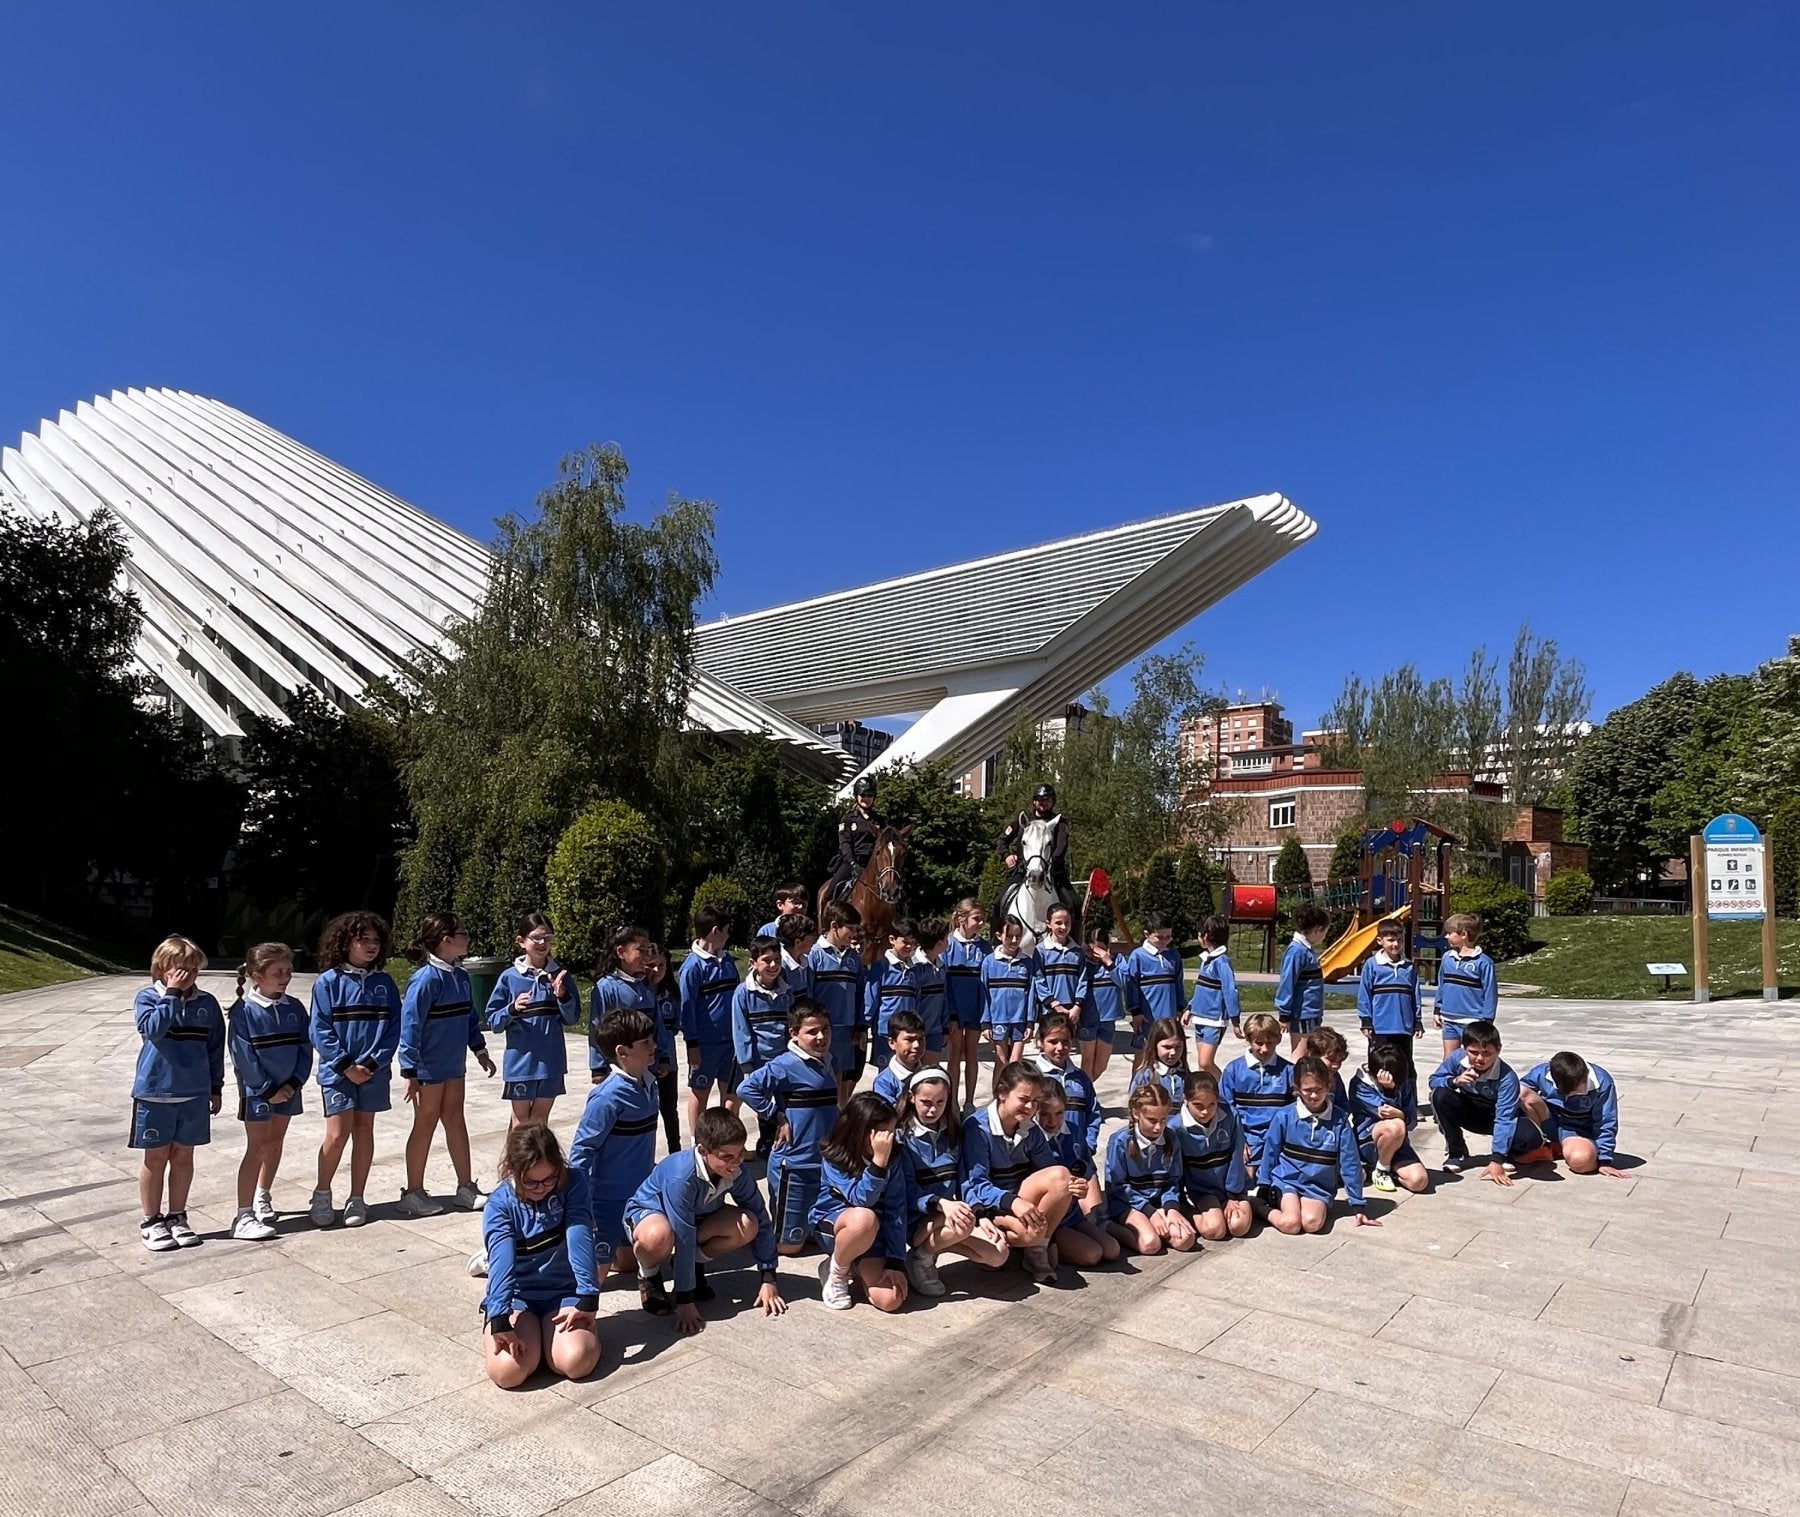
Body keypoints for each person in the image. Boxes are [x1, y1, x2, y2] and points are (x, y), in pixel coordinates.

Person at [625, 1108, 785, 1333]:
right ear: (702, 1150)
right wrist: (685, 1300)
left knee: (748, 1224)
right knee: (658, 1236)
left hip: (696, 1218)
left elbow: (759, 1213)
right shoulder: (681, 1176)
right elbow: (683, 1235)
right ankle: (648, 1276)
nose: (736, 1163)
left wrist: (769, 1277)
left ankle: (693, 1266)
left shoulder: (736, 1170)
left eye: (740, 1154)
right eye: (727, 1156)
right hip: (653, 1216)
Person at [480, 1124, 599, 1388]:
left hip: (563, 1292)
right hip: (519, 1296)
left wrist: (588, 1296)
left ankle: (549, 1343)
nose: (541, 1188)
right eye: (530, 1181)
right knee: (507, 1373)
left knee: (577, 1362)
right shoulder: (499, 1204)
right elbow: (502, 1261)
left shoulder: (573, 1181)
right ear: (512, 1170)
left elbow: (580, 1234)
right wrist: (499, 1318)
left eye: (549, 1179)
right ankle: (537, 1341)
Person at [397, 913, 495, 1217]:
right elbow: (410, 1025)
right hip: (427, 1067)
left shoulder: (460, 975)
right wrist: (409, 1069)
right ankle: (413, 1192)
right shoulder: (425, 979)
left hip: (454, 1064)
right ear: (446, 940)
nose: (468, 938)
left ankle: (465, 1187)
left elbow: (469, 1017)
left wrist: (479, 1049)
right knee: (425, 1123)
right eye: (463, 933)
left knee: (455, 1119)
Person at [132, 935, 225, 1251]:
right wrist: (172, 994)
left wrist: (215, 1087)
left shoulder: (206, 1004)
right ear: (162, 969)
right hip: (156, 1092)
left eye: (194, 970)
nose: (188, 976)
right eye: (181, 969)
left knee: (184, 1156)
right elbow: (153, 1029)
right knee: (156, 1157)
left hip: (194, 1092)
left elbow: (214, 1048)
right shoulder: (148, 998)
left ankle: (177, 1215)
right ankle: (151, 1220)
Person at [310, 911, 401, 1228]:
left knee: (364, 1131)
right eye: (363, 940)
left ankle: (357, 1197)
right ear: (345, 942)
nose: (371, 946)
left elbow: (393, 1029)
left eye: (376, 940)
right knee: (337, 1134)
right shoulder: (328, 982)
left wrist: (373, 1063)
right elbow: (320, 1029)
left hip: (373, 1073)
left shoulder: (384, 984)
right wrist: (346, 1066)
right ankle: (322, 1193)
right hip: (338, 1074)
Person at [736, 1000, 840, 1256]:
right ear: (794, 1033)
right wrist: (777, 1116)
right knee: (788, 1247)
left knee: (823, 1234)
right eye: (812, 1031)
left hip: (823, 1164)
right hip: (794, 1166)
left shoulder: (827, 1061)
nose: (821, 1037)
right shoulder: (785, 1064)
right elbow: (746, 1089)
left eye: (825, 1029)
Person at [569, 1006, 662, 1287]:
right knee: (590, 1284)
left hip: (638, 1195)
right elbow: (581, 1152)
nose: (654, 1046)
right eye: (645, 1042)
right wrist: (581, 1204)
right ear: (622, 1052)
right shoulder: (606, 1097)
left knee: (633, 1263)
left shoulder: (650, 1083)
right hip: (606, 1201)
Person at [895, 1067, 1010, 1292]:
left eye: (940, 1102)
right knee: (962, 1223)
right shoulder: (902, 1137)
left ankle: (933, 1248)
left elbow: (965, 1180)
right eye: (926, 1102)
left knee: (998, 1253)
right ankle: (922, 1259)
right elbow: (907, 1189)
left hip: (948, 1215)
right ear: (911, 1098)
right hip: (915, 1219)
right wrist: (941, 1204)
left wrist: (981, 1215)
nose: (933, 1109)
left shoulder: (953, 1134)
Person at [960, 1062, 1074, 1284]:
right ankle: (1026, 1241)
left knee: (1063, 1178)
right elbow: (976, 1183)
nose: (1030, 1107)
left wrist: (1073, 1185)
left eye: (1036, 1101)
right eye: (1024, 1099)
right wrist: (1013, 1202)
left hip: (1021, 1199)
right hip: (992, 1205)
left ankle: (1037, 1248)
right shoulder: (978, 1128)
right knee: (1028, 1235)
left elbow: (1047, 1171)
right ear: (1002, 1093)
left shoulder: (1030, 1128)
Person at [227, 942, 309, 1240]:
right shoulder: (243, 1012)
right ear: (257, 976)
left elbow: (305, 1048)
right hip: (258, 1093)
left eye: (288, 970)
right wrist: (267, 1089)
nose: (285, 977)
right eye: (278, 972)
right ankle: (243, 1214)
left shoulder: (294, 1007)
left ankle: (263, 1195)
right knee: (257, 1146)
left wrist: (293, 1083)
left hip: (288, 1090)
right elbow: (242, 1056)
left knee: (275, 1143)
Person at [811, 1092, 912, 1313]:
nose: (889, 1139)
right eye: (884, 1132)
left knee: (890, 1300)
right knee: (864, 1218)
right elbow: (862, 1199)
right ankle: (836, 1272)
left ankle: (854, 1265)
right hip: (838, 1227)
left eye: (892, 1131)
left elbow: (896, 1207)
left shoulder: (894, 1156)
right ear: (863, 1131)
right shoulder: (835, 1156)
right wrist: (878, 1163)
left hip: (874, 1236)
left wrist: (896, 1260)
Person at [1257, 1054, 1379, 1235]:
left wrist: (1357, 1203)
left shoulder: (1339, 1120)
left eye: (1319, 1089)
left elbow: (1349, 1162)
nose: (1314, 1095)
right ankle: (1258, 1207)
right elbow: (1270, 1151)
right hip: (1286, 1180)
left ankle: (1301, 1206)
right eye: (1307, 1090)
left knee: (1312, 1223)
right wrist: (1264, 1184)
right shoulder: (1284, 1116)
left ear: (1329, 1086)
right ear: (1297, 1088)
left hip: (1318, 1187)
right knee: (1291, 1223)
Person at [484, 911, 581, 1129]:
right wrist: (511, 1009)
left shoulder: (560, 975)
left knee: (539, 1121)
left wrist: (562, 996)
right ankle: (514, 1154)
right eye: (536, 938)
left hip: (551, 1063)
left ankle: (535, 1154)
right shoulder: (509, 977)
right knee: (520, 1123)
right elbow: (493, 1021)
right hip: (520, 1064)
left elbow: (572, 1018)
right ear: (521, 941)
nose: (542, 943)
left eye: (547, 938)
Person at [1427, 1019, 1550, 1185]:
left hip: (1496, 1115)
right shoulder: (1457, 1058)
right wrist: (1454, 1081)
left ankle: (1507, 1153)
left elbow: (1505, 1118)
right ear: (1464, 1048)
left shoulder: (1507, 1077)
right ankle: (1456, 1150)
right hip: (1471, 1111)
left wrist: (1497, 1158)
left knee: (1530, 1137)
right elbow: (1434, 1080)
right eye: (1473, 1052)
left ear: (1498, 1050)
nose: (1480, 1058)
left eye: (1487, 1053)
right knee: (1439, 1095)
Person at [1033, 1079, 1117, 1267]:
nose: (1053, 1121)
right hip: (1050, 1216)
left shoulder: (1073, 1130)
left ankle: (1069, 1241)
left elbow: (1083, 1165)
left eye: (1059, 1113)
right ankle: (1047, 1243)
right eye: (1045, 1114)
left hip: (1072, 1212)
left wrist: (1082, 1184)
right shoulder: (1033, 1137)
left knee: (1112, 1250)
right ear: (1035, 1111)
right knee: (1092, 1255)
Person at [1104, 1084, 1196, 1256]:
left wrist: (1171, 1208)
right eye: (1152, 1120)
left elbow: (1173, 1180)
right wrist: (1149, 1212)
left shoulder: (1171, 1139)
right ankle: (1109, 1227)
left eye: (1163, 1120)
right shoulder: (1120, 1141)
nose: (1158, 1127)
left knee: (1185, 1240)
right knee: (1150, 1244)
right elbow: (1118, 1186)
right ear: (1136, 1113)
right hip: (1129, 1204)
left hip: (1158, 1203)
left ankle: (1158, 1228)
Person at [679, 904, 742, 1135]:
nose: (729, 935)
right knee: (700, 1093)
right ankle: (698, 1141)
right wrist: (692, 1044)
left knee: (731, 1094)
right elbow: (686, 1009)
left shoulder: (728, 961)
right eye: (727, 930)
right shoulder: (692, 968)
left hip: (731, 1044)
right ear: (716, 931)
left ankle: (726, 1141)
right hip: (705, 1046)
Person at [1172, 1069, 1252, 1241]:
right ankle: (1190, 1213)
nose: (1205, 1112)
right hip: (1202, 1190)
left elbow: (1236, 1154)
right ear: (1185, 1099)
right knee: (1214, 1230)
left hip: (1230, 1187)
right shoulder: (1176, 1128)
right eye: (1198, 1106)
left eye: (1211, 1105)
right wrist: (1179, 1200)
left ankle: (1246, 1203)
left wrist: (1232, 1194)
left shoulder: (1230, 1116)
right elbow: (1176, 1170)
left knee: (1239, 1226)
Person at [1519, 1052, 1626, 1178]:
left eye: (1576, 1092)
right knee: (1522, 1092)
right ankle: (1542, 1144)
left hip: (1578, 1130)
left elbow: (1606, 1121)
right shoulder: (1542, 1072)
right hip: (1549, 1119)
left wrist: (1604, 1160)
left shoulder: (1602, 1081)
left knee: (1581, 1161)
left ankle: (1564, 1148)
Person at [1346, 1043, 1429, 1194]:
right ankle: (1381, 1169)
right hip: (1368, 1140)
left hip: (1397, 1144)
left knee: (1419, 1181)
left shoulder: (1402, 1083)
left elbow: (1411, 1121)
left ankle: (1381, 1169)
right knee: (1395, 1126)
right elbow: (1385, 1112)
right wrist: (1389, 1092)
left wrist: (1402, 1114)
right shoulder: (1360, 1085)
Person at [1217, 1012, 1293, 1176]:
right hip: (1246, 1136)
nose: (1264, 1049)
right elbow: (1225, 1108)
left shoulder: (1288, 1071)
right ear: (1248, 1040)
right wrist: (1238, 1140)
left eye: (1270, 1043)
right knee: (1243, 1178)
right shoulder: (1234, 1070)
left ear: (1279, 1040)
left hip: (1278, 1137)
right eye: (1259, 1043)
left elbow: (1295, 1110)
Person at [807, 900, 866, 1104]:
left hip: (845, 1031)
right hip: (821, 1030)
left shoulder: (853, 958)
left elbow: (860, 994)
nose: (854, 933)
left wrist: (860, 1026)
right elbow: (808, 994)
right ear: (834, 926)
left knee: (839, 1083)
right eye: (850, 928)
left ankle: (837, 1120)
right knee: (819, 1080)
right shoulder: (814, 955)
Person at [730, 935, 796, 1108]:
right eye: (767, 960)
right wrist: (746, 1066)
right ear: (753, 963)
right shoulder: (743, 993)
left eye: (777, 960)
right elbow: (741, 1031)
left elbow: (791, 1026)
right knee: (762, 1108)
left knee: (787, 1105)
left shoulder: (787, 991)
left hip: (782, 1059)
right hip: (757, 1062)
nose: (773, 965)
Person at [588, 925, 658, 1081]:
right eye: (641, 950)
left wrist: (664, 1056)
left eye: (648, 951)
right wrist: (598, 1067)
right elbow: (597, 1028)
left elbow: (657, 1024)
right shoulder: (606, 987)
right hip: (620, 1067)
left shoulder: (646, 986)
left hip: (649, 1065)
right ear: (621, 952)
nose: (646, 957)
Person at [1356, 918, 1422, 1082]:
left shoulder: (1409, 967)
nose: (1396, 944)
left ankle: (1407, 1096)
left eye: (1399, 940)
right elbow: (1364, 994)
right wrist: (1366, 1020)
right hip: (1380, 1027)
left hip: (1404, 1027)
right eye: (1391, 940)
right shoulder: (1372, 965)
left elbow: (1415, 995)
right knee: (1379, 1066)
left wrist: (1417, 1021)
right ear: (1380, 941)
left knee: (1405, 1067)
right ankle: (1379, 1096)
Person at [942, 899, 991, 1110]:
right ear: (962, 919)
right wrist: (951, 1014)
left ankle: (969, 1101)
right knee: (955, 1054)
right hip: (955, 1009)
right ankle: (952, 1101)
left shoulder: (985, 947)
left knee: (972, 1053)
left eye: (982, 919)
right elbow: (944, 983)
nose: (981, 923)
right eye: (976, 919)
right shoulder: (947, 945)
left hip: (975, 1008)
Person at [979, 914, 1035, 1087]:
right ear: (999, 936)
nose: (1014, 940)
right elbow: (984, 994)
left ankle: (1013, 1097)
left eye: (1018, 936)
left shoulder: (1027, 963)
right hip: (998, 1019)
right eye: (1010, 936)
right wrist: (986, 1023)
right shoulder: (989, 962)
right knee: (1001, 1062)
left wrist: (1030, 1022)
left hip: (1019, 1020)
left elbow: (1031, 994)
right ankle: (998, 1097)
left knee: (1016, 1062)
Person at [995, 782, 1071, 906]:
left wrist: (1048, 865)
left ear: (1053, 802)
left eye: (1047, 800)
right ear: (1034, 801)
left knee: (1074, 902)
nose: (1043, 803)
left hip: (1053, 873)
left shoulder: (1059, 823)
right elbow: (1002, 840)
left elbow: (1060, 848)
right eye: (1040, 799)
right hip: (1022, 872)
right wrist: (1007, 855)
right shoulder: (1023, 821)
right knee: (999, 902)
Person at [1435, 912, 1498, 1057]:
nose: (1446, 937)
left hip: (1473, 1020)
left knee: (1471, 1058)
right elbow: (1442, 985)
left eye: (1449, 933)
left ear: (1463, 934)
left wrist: (1487, 1021)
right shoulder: (1447, 958)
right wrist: (1437, 1010)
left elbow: (1490, 992)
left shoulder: (1483, 962)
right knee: (1449, 1059)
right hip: (1449, 1019)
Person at [1123, 913, 1185, 1051]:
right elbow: (1131, 985)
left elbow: (1178, 983)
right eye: (1159, 937)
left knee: (1167, 1049)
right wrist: (1135, 1011)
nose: (1164, 940)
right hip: (1146, 1016)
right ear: (1147, 934)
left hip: (1169, 1015)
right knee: (1144, 1052)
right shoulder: (1137, 956)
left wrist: (1180, 1007)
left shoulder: (1173, 955)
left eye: (1168, 936)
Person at [866, 918, 921, 1070]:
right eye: (905, 942)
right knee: (885, 1070)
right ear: (892, 939)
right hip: (885, 1031)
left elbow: (917, 999)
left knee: (907, 1070)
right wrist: (864, 1025)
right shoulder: (880, 967)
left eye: (912, 942)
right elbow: (871, 998)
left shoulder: (915, 970)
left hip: (908, 1031)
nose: (909, 946)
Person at [1189, 914, 1241, 1071]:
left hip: (1214, 1020)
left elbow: (1230, 992)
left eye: (1199, 934)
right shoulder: (1206, 960)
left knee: (1206, 1062)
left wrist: (1235, 1020)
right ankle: (1206, 1088)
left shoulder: (1222, 962)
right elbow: (1201, 988)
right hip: (1200, 1016)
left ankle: (1224, 1085)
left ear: (1206, 936)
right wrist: (1190, 1008)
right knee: (1202, 1065)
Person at [1080, 924, 1130, 1083]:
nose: (1095, 954)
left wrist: (1108, 962)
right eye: (1092, 950)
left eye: (1100, 950)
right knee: (1087, 1061)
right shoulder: (1083, 963)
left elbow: (1125, 983)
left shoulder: (1117, 960)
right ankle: (1086, 1094)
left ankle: (1083, 1090)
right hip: (1088, 1018)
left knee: (1101, 1065)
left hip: (1108, 1018)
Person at [1275, 905, 1329, 1052]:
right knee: (1300, 1054)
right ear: (1317, 929)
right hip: (1302, 1014)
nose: (1324, 936)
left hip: (1312, 1012)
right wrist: (1284, 1014)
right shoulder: (1296, 951)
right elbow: (1287, 983)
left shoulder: (1307, 950)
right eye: (1325, 932)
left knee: (1311, 1054)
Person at [646, 946, 682, 1152]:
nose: (657, 970)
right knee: (646, 1109)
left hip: (669, 1060)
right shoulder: (640, 992)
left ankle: (674, 1150)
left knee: (669, 1107)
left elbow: (675, 1025)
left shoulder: (672, 993)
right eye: (652, 965)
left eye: (661, 965)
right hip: (644, 1060)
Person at [827, 775, 884, 901]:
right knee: (829, 893)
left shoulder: (879, 820)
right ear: (856, 796)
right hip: (852, 862)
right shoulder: (848, 818)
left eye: (870, 795)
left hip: (874, 862)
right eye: (863, 795)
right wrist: (852, 863)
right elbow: (845, 843)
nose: (866, 799)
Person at [1032, 903, 1086, 1022]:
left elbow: (1083, 980)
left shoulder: (1077, 952)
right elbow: (1038, 980)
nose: (1063, 927)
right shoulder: (1040, 951)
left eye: (1067, 923)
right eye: (1058, 923)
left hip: (1072, 1012)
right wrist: (1054, 1004)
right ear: (1048, 924)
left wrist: (1077, 1005)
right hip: (1050, 1011)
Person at [913, 918, 949, 1060]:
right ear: (939, 943)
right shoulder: (915, 967)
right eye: (946, 939)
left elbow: (944, 999)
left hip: (935, 1031)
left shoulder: (941, 966)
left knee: (930, 1069)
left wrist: (945, 1028)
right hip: (916, 1030)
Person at [872, 1009, 926, 1105]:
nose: (917, 1045)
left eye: (921, 1039)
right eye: (909, 1039)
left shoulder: (929, 1075)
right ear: (892, 1043)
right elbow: (886, 1112)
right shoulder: (884, 1082)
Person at [1128, 1017, 1188, 1102]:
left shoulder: (1186, 1076)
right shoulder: (1145, 1076)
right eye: (1167, 1047)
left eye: (1178, 1047)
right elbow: (1135, 1105)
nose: (1173, 1052)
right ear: (1154, 1046)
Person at [777, 914, 817, 1000]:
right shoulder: (781, 966)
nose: (813, 943)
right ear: (798, 942)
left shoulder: (805, 962)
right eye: (811, 939)